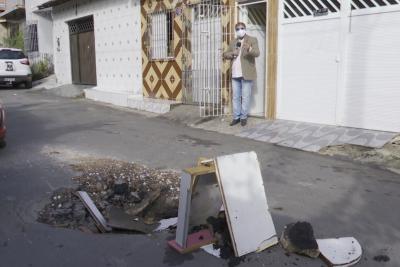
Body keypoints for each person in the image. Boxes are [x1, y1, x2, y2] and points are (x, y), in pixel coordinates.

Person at [223, 22, 259, 126]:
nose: (240, 30)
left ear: (245, 29)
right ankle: (236, 117)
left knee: (246, 96)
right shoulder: (233, 41)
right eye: (238, 29)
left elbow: (257, 53)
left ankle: (243, 117)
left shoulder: (252, 40)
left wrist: (249, 49)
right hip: (235, 74)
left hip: (246, 73)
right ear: (236, 30)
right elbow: (225, 54)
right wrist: (232, 53)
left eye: (242, 28)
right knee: (236, 97)